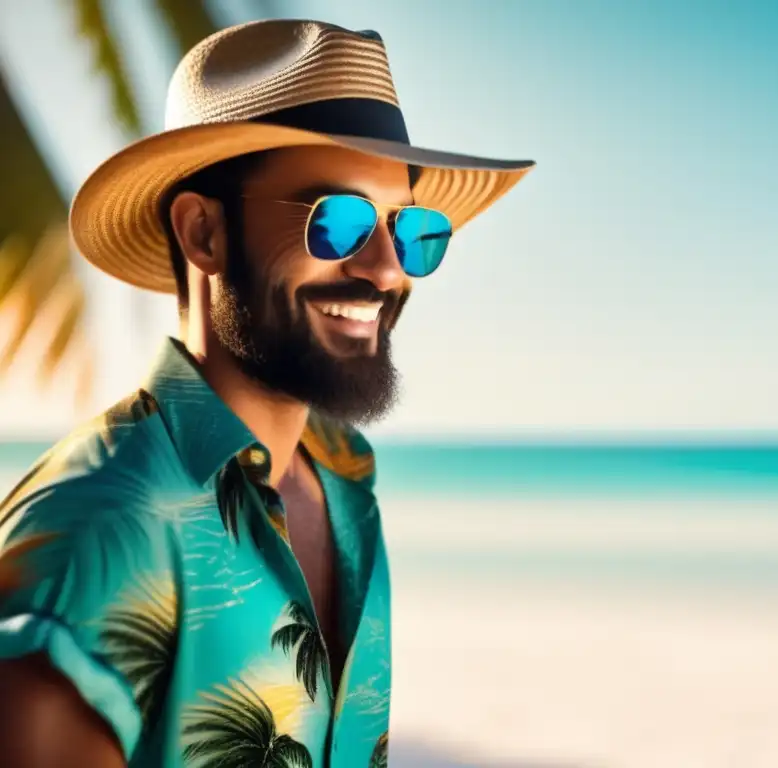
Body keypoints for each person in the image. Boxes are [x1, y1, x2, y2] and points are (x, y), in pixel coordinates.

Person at [0, 18, 533, 768]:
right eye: (338, 222)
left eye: (410, 228)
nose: (386, 269)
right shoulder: (97, 529)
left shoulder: (348, 491)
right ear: (204, 234)